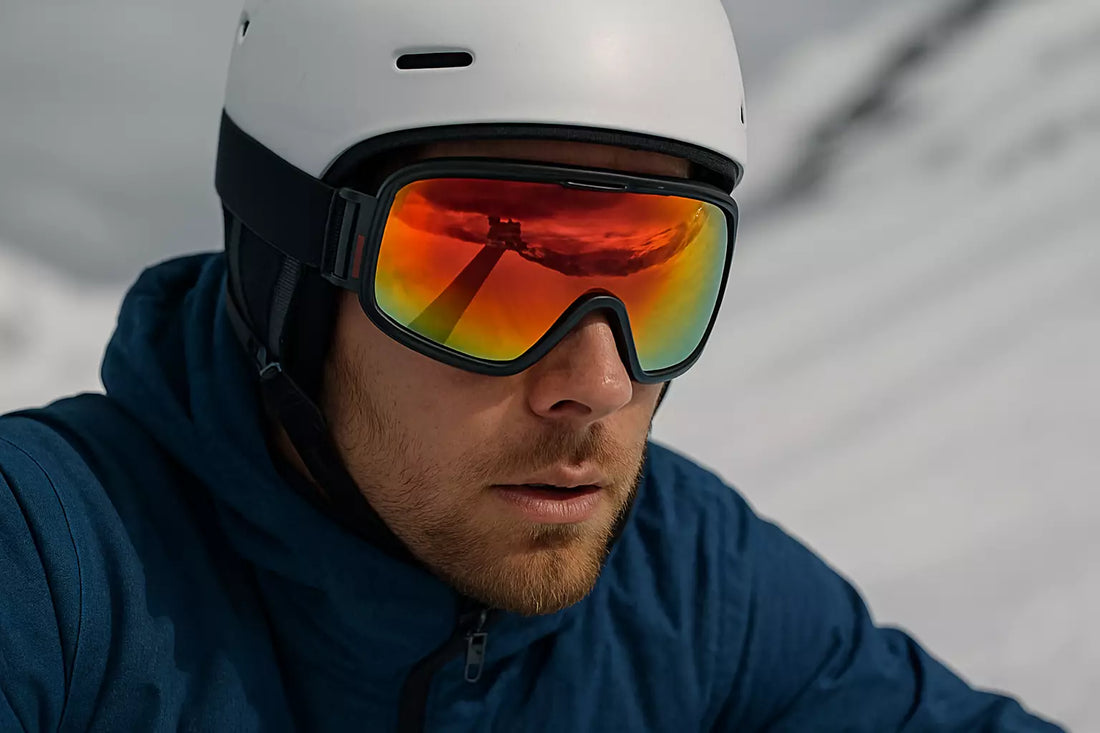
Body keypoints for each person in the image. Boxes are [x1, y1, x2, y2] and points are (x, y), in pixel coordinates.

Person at [0, 1, 1066, 731]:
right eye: (484, 264)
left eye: (654, 270)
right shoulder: (55, 564)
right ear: (293, 275)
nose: (598, 384)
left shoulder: (688, 585)